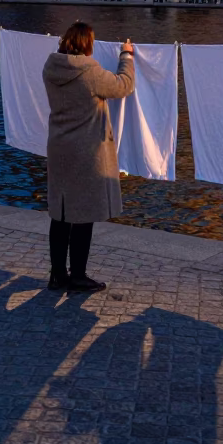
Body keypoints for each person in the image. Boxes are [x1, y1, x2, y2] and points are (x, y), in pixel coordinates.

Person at [42, 22, 134, 293]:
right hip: (86, 153)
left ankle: (58, 274)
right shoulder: (90, 73)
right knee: (83, 215)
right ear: (86, 45)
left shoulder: (50, 67)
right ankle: (78, 275)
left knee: (60, 214)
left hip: (59, 148)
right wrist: (126, 55)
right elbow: (123, 86)